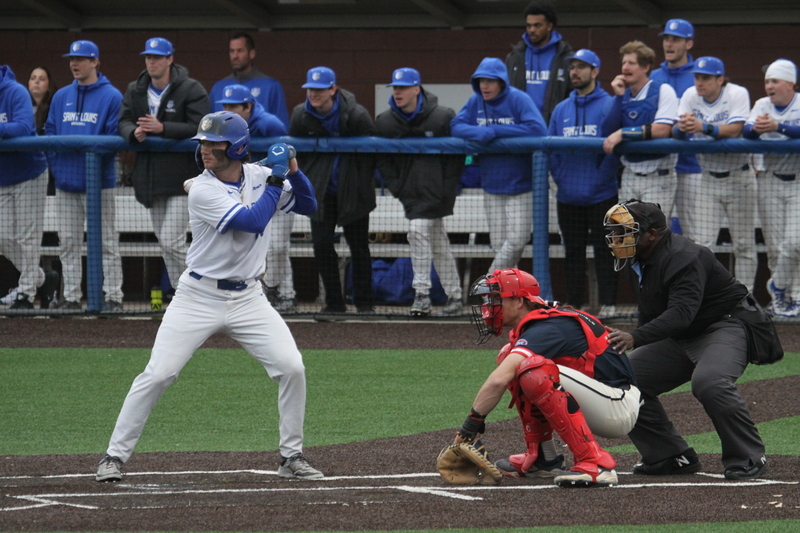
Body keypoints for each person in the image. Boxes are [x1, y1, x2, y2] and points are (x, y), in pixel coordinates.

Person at [96, 111, 323, 482]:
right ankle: (113, 456)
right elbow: (250, 221)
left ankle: (291, 456)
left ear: (236, 147)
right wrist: (277, 176)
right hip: (197, 296)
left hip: (249, 298)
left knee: (292, 367)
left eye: (213, 144)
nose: (205, 150)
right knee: (158, 374)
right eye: (202, 144)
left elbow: (308, 205)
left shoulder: (260, 177)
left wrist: (293, 171)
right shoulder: (202, 189)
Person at [604, 199, 768, 480]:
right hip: (684, 334)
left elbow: (681, 314)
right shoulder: (636, 257)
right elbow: (651, 310)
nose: (617, 238)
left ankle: (748, 455)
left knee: (710, 382)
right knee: (620, 377)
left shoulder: (684, 257)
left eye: (626, 231)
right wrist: (636, 344)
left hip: (725, 325)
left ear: (652, 234)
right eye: (616, 231)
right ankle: (669, 456)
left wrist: (635, 337)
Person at [455, 268, 639, 488]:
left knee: (532, 371)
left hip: (617, 405)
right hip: (600, 397)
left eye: (496, 299)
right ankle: (543, 459)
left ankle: (596, 463)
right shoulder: (540, 321)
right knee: (512, 358)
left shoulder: (548, 326)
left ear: (519, 301)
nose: (489, 307)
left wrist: (468, 429)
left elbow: (498, 380)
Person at [119, 37, 210, 295]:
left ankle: (200, 290)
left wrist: (163, 128)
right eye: (148, 57)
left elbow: (202, 125)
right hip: (151, 178)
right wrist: (132, 132)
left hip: (183, 178)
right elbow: (123, 120)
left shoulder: (190, 88)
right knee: (165, 242)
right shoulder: (136, 89)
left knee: (172, 240)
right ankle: (185, 295)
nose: (152, 62)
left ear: (170, 59)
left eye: (157, 57)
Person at [374, 68, 465, 317]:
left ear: (417, 89)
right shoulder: (385, 121)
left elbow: (457, 158)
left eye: (403, 87)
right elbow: (382, 160)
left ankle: (422, 294)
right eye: (395, 87)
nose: (398, 92)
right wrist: (398, 187)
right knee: (436, 242)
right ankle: (455, 296)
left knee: (418, 233)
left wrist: (447, 188)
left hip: (438, 192)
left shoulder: (442, 116)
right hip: (410, 195)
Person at [289, 66, 375, 314]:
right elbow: (296, 154)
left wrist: (359, 184)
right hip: (321, 191)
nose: (313, 94)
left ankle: (365, 304)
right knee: (322, 245)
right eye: (310, 90)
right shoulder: (300, 115)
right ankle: (334, 304)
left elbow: (370, 156)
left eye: (319, 89)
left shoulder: (356, 114)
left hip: (354, 190)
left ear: (332, 89)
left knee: (359, 247)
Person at [46, 40, 124, 311]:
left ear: (95, 62)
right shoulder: (61, 96)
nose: (74, 64)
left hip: (99, 182)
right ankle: (70, 298)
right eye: (71, 59)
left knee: (106, 242)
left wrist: (83, 153)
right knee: (68, 243)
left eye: (80, 59)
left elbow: (114, 137)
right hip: (66, 182)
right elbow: (50, 134)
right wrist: (58, 168)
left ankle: (113, 297)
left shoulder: (112, 95)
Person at [451, 57, 547, 274]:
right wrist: (480, 133)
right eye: (481, 81)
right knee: (500, 245)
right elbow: (456, 125)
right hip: (491, 186)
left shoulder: (518, 99)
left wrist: (495, 132)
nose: (485, 86)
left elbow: (538, 130)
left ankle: (488, 283)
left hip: (521, 186)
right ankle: (505, 301)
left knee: (517, 241)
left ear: (502, 81)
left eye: (490, 81)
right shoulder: (475, 101)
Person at [672, 57, 756, 292]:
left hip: (739, 177)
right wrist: (683, 127)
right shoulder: (690, 95)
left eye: (706, 78)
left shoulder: (737, 93)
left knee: (743, 245)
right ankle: (705, 296)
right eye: (698, 77)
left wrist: (704, 127)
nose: (700, 82)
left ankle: (745, 297)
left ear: (720, 79)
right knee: (703, 245)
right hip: (707, 177)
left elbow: (737, 129)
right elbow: (678, 130)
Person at [548, 49, 619, 318]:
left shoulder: (609, 104)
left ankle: (609, 304)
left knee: (606, 250)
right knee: (573, 252)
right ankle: (575, 305)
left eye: (581, 67)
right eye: (572, 67)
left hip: (602, 194)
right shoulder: (561, 109)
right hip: (568, 196)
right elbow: (551, 151)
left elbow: (614, 151)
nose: (574, 72)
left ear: (595, 71)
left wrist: (599, 181)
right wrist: (562, 180)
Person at [215, 83, 297, 313]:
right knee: (262, 246)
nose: (228, 110)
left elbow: (286, 156)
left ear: (248, 106)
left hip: (277, 187)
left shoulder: (269, 123)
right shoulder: (223, 126)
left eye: (234, 106)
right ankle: (283, 294)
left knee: (279, 246)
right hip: (251, 193)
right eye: (226, 106)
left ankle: (278, 290)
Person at [743, 59, 800, 317]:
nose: (769, 86)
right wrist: (756, 129)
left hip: (797, 179)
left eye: (775, 81)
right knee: (776, 246)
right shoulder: (762, 105)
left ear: (790, 84)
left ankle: (782, 288)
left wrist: (779, 127)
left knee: (795, 242)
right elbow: (745, 131)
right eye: (767, 81)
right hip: (768, 179)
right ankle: (783, 301)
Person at [0, 64, 58, 310]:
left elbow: (25, 127)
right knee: (2, 237)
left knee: (27, 236)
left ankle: (25, 294)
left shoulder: (14, 91)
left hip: (29, 172)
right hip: (3, 177)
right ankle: (44, 279)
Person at [602, 41, 679, 220]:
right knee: (628, 235)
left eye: (631, 63)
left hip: (658, 175)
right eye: (623, 63)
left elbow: (663, 130)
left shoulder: (662, 90)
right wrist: (619, 97)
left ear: (645, 67)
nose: (625, 68)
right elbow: (608, 130)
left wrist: (623, 133)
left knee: (652, 236)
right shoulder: (623, 95)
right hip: (630, 175)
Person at [649, 19, 703, 240]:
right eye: (666, 39)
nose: (669, 44)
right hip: (660, 166)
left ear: (688, 44)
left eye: (676, 39)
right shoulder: (654, 77)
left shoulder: (699, 75)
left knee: (696, 236)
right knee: (656, 235)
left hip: (692, 166)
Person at [504, 0, 572, 123]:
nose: (531, 30)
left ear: (549, 26)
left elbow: (573, 95)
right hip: (520, 129)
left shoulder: (566, 58)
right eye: (528, 26)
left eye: (537, 25)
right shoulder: (514, 57)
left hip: (554, 129)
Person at [208, 32, 289, 127]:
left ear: (252, 54)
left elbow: (282, 129)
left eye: (240, 51)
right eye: (232, 51)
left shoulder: (271, 86)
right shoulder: (218, 87)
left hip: (260, 141)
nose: (235, 56)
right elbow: (210, 127)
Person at [28, 66, 57, 135]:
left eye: (42, 79)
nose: (36, 81)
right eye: (33, 78)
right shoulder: (23, 108)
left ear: (49, 86)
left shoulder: (54, 108)